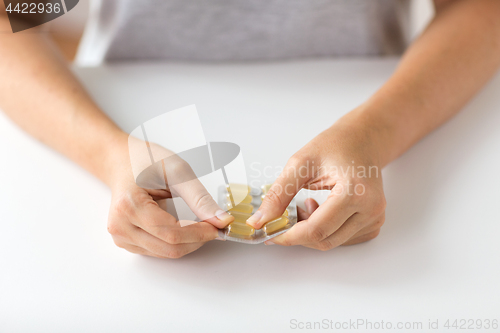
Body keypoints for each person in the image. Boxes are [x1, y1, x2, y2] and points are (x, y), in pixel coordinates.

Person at [0, 0, 499, 258]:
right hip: (118, 110)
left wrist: (376, 133)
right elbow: (16, 15)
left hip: (383, 98)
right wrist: (110, 154)